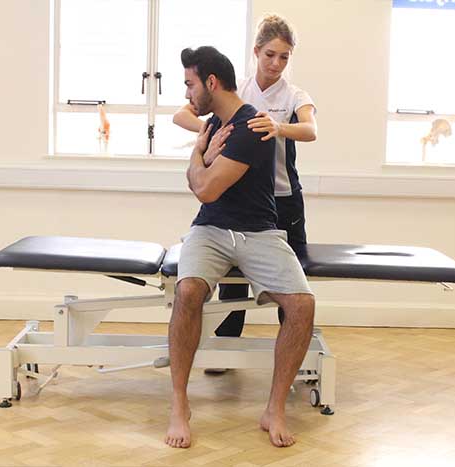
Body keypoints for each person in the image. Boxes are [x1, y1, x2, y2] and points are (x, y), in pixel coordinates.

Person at [165, 46, 315, 449]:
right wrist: (200, 151)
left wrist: (200, 159)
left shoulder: (251, 126)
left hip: (258, 232)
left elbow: (206, 187)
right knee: (188, 291)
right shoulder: (213, 124)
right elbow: (200, 188)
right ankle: (180, 404)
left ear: (211, 82)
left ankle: (275, 408)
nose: (187, 93)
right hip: (210, 230)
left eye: (190, 83)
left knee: (301, 304)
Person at [173, 14, 317, 347]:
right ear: (256, 52)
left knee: (293, 286)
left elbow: (310, 130)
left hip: (283, 198)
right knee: (232, 283)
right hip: (242, 196)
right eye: (270, 55)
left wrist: (278, 127)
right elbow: (183, 113)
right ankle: (226, 346)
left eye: (284, 57)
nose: (276, 63)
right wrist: (213, 133)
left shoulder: (295, 95)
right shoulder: (239, 92)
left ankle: (299, 355)